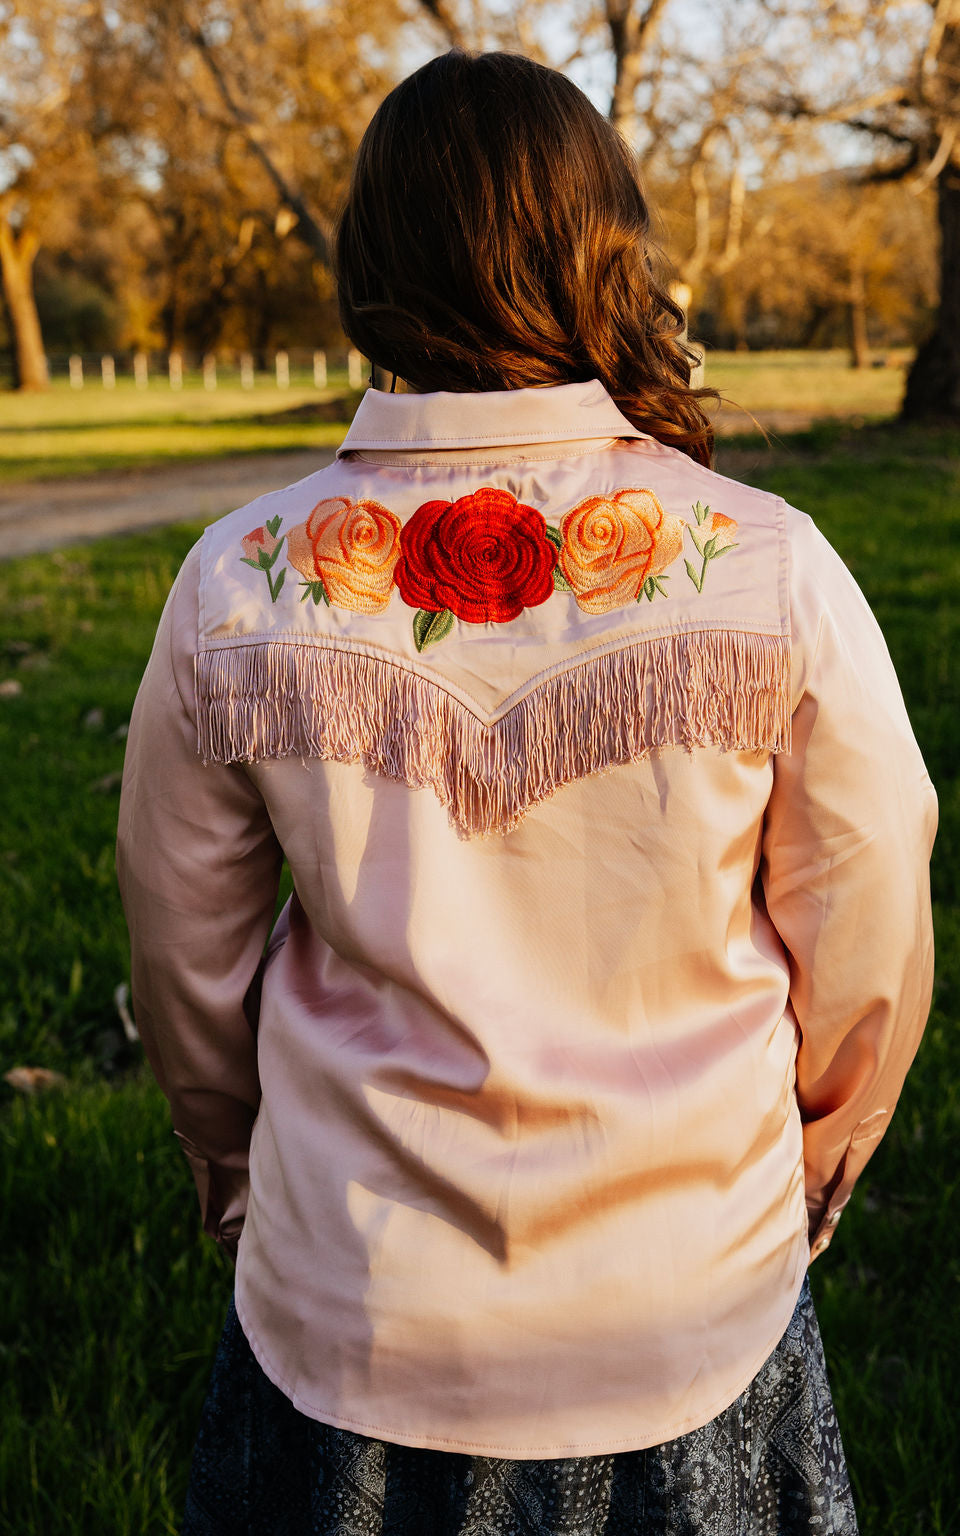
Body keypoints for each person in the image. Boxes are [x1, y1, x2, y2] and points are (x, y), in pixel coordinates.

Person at [117, 50, 936, 1536]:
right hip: (691, 1298)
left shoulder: (241, 581)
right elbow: (867, 918)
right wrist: (820, 1153)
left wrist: (240, 1175)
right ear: (605, 248)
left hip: (355, 1304)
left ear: (372, 266)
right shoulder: (768, 566)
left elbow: (186, 966)